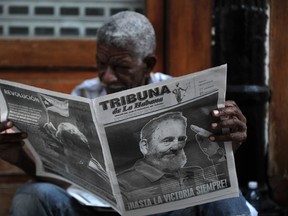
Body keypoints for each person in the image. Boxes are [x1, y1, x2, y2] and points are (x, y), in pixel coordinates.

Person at [0, 11, 256, 216]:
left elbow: (210, 163)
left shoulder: (179, 95)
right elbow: (68, 178)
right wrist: (20, 158)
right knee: (32, 196)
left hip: (166, 207)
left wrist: (231, 139)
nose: (107, 77)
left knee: (224, 194)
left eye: (121, 67)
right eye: (101, 64)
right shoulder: (84, 95)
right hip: (98, 208)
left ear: (148, 65)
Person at [117, 112, 228, 202]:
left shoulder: (195, 173)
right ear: (145, 146)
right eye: (167, 140)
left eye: (181, 139)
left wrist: (215, 154)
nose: (176, 147)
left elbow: (226, 194)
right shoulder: (123, 183)